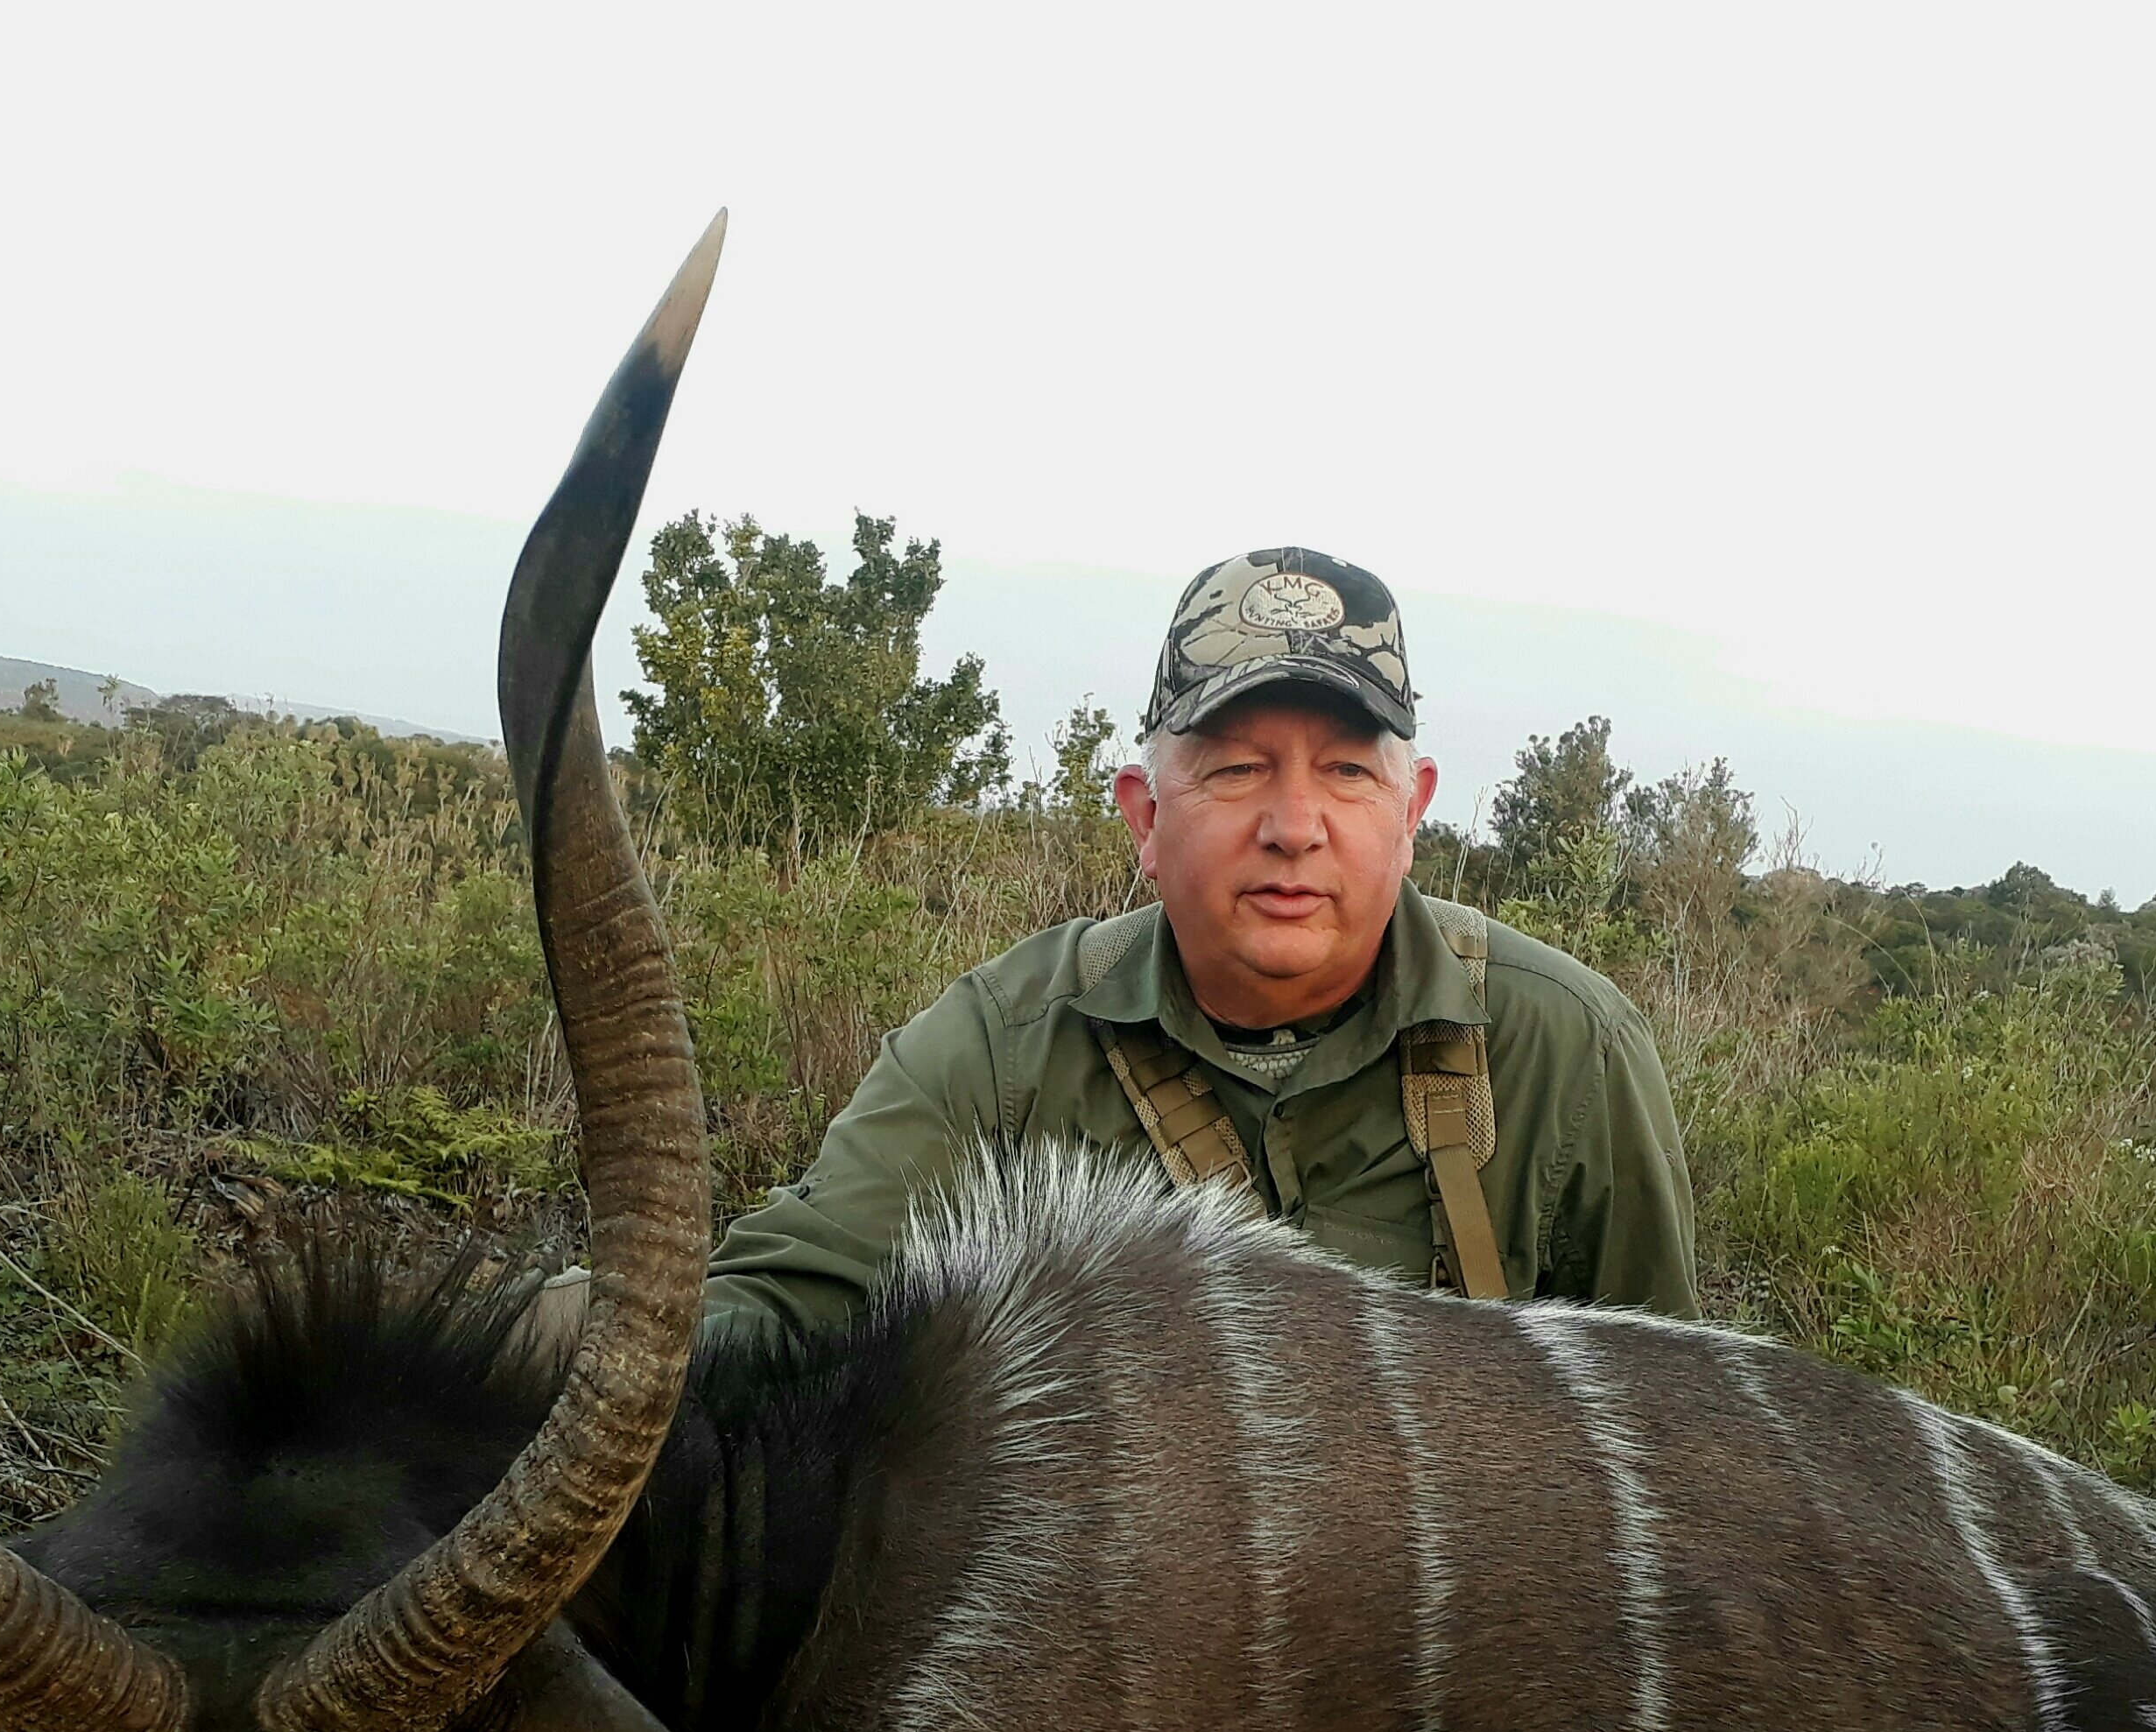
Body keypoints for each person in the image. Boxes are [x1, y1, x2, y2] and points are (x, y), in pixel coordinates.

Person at [523, 546, 1698, 1363]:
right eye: (1237, 768)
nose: (1295, 825)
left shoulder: (1566, 1046)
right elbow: (788, 1300)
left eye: (1347, 770)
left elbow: (1669, 1429)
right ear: (1143, 814)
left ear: (1412, 808)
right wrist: (522, 1351)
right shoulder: (1007, 1040)